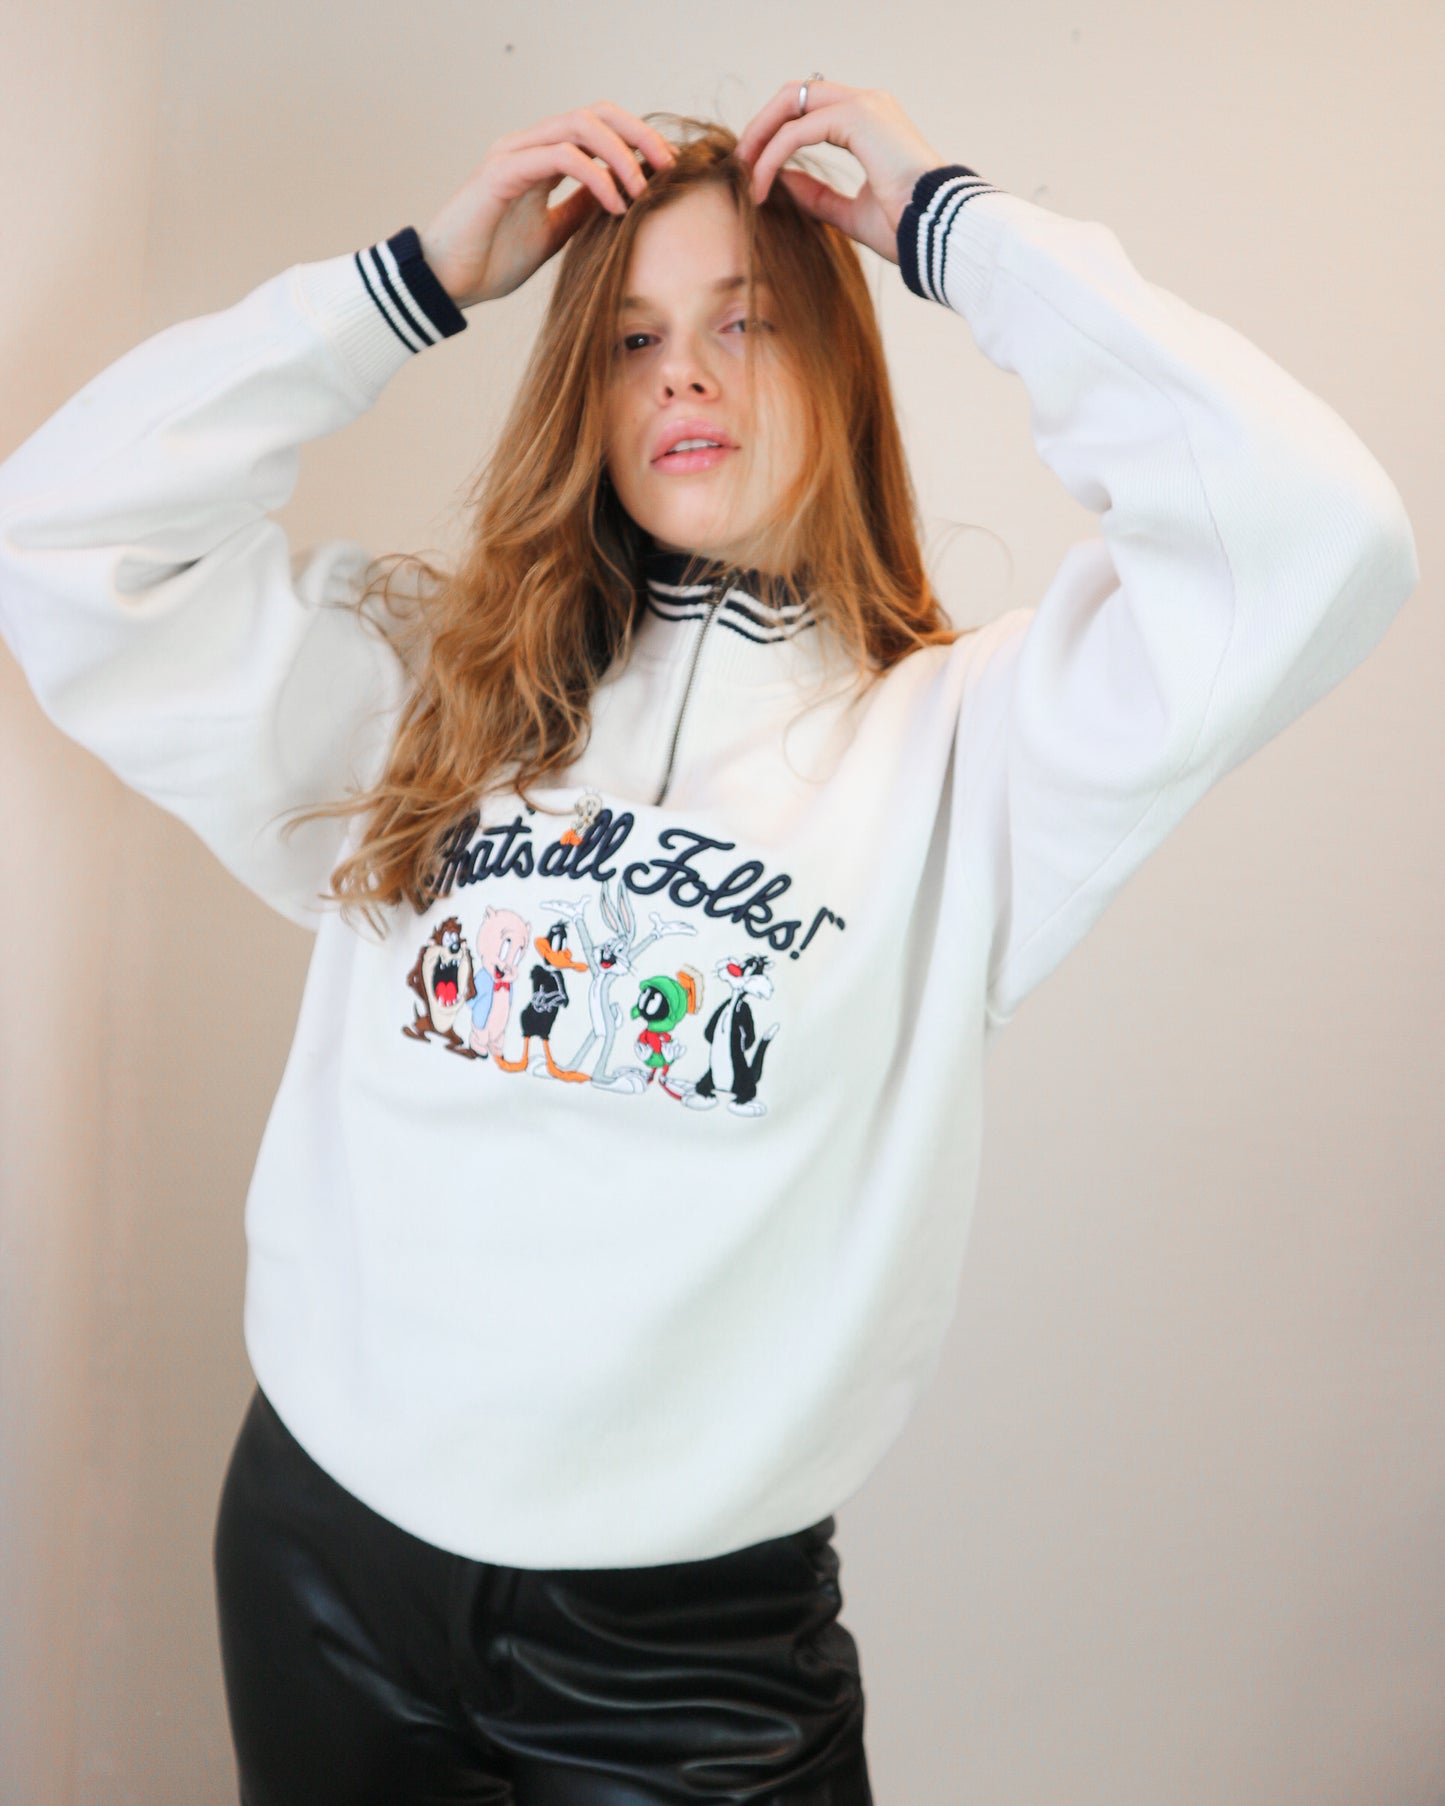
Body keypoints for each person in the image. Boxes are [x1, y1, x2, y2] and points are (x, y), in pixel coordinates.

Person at [0, 74, 1418, 1806]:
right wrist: (412, 281)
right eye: (633, 338)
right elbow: (62, 533)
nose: (681, 372)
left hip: (679, 1655)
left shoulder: (969, 748)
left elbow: (1316, 533)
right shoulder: (431, 688)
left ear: (837, 363)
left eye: (744, 320)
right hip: (323, 1557)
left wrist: (953, 231)